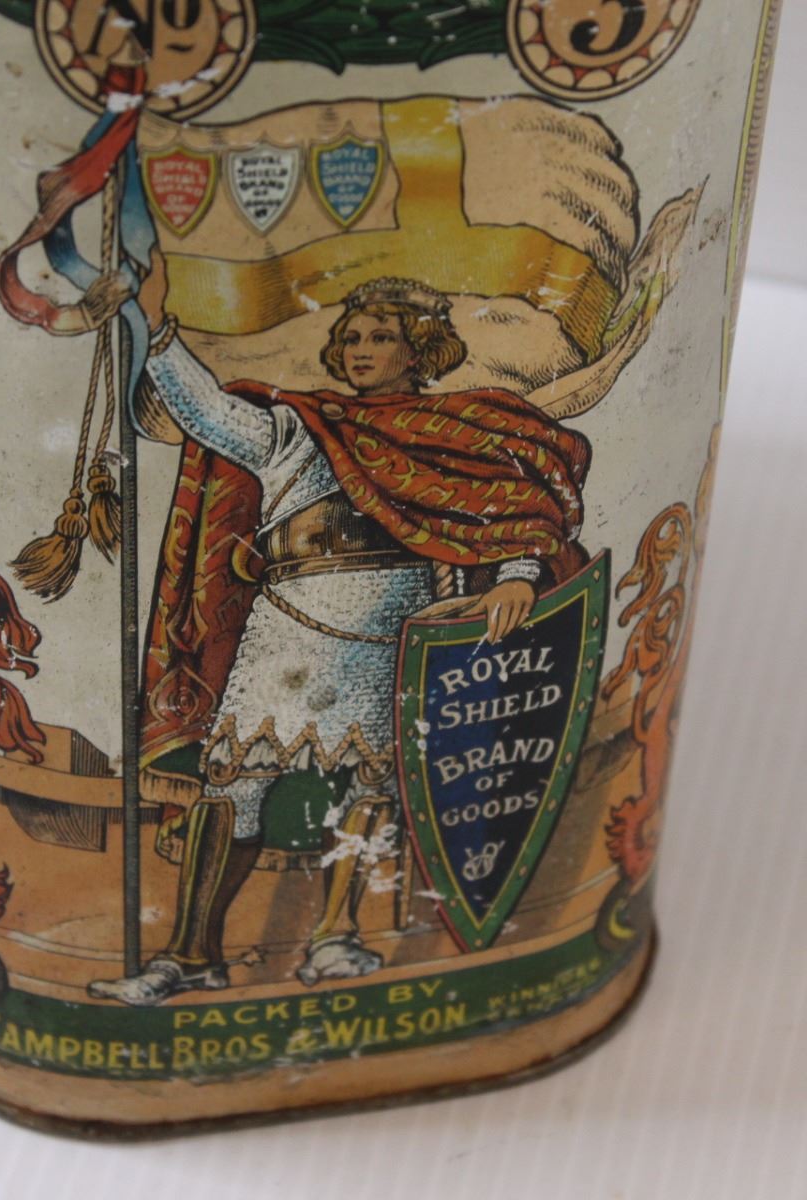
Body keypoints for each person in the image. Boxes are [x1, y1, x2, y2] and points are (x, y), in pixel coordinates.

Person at [89, 251, 592, 1006]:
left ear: (419, 350)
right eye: (351, 337)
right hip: (287, 634)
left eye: (381, 337)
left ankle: (334, 939)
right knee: (233, 784)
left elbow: (506, 506)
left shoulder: (454, 430)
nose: (360, 350)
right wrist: (156, 329)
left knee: (373, 781)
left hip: (393, 633)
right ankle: (190, 955)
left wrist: (519, 574)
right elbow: (207, 413)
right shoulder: (300, 431)